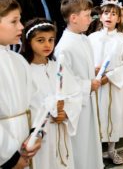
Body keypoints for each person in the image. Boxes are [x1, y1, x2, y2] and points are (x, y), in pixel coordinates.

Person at [22, 19, 82, 169]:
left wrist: (66, 111)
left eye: (51, 40)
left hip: (59, 129)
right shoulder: (25, 70)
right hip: (39, 133)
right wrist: (49, 111)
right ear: (29, 42)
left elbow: (75, 94)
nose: (47, 45)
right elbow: (26, 104)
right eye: (40, 40)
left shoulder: (58, 67)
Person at [54, 0, 104, 169]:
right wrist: (87, 85)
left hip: (86, 101)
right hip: (75, 106)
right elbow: (62, 81)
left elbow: (80, 68)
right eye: (87, 15)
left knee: (89, 141)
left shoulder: (83, 38)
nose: (91, 20)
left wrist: (92, 71)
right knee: (81, 144)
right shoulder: (64, 46)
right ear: (73, 18)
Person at [88, 0, 123, 164]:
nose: (109, 16)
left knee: (113, 114)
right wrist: (92, 71)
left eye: (114, 14)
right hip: (95, 84)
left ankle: (111, 150)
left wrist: (110, 77)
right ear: (100, 17)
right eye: (106, 13)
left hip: (113, 84)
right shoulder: (91, 38)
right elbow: (86, 60)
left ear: (119, 19)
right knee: (96, 115)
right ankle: (95, 150)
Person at [0, 0, 41, 168]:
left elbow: (34, 99)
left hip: (26, 144)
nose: (21, 27)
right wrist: (10, 158)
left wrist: (36, 133)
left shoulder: (18, 60)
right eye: (14, 21)